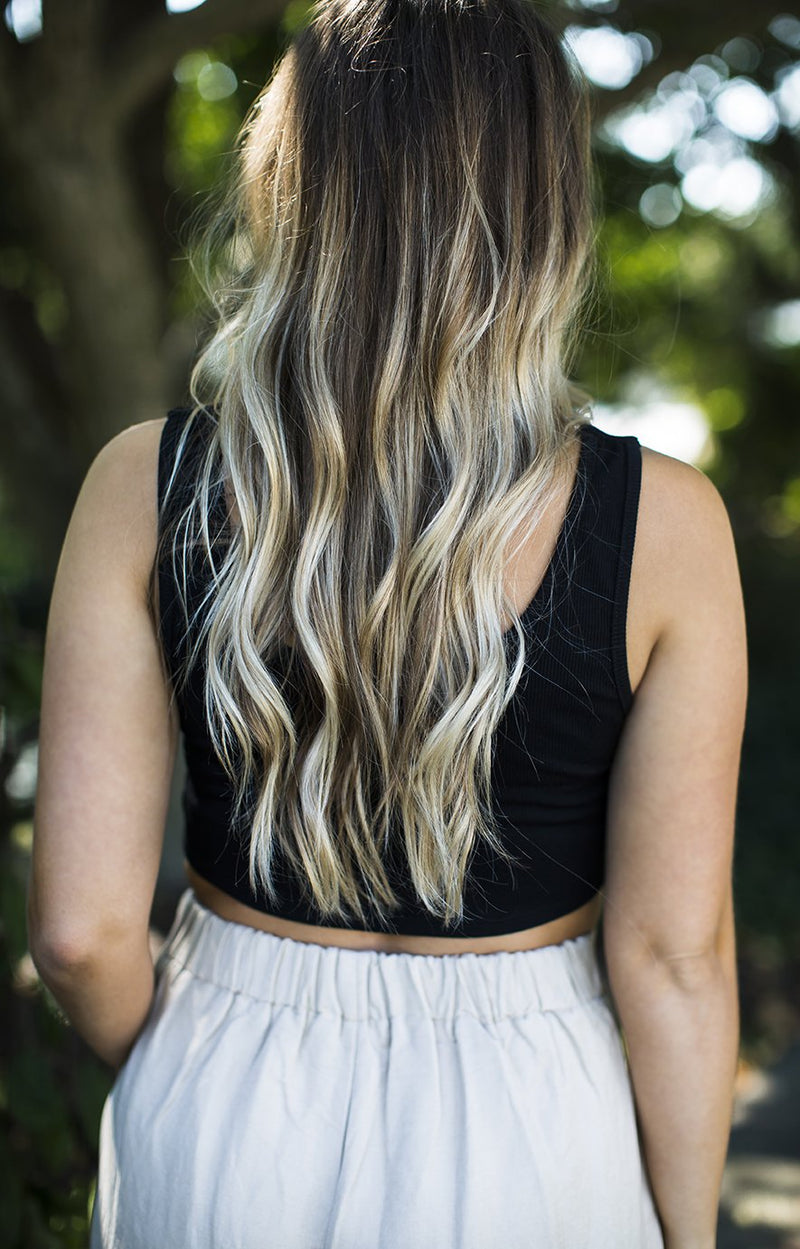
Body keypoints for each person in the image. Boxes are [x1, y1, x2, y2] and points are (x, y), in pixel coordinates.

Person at [27, 0, 746, 1246]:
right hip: (534, 1124)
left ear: (290, 189)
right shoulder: (668, 527)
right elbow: (674, 956)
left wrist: (201, 1063)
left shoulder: (141, 484)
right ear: (542, 213)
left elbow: (83, 936)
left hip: (216, 1099)